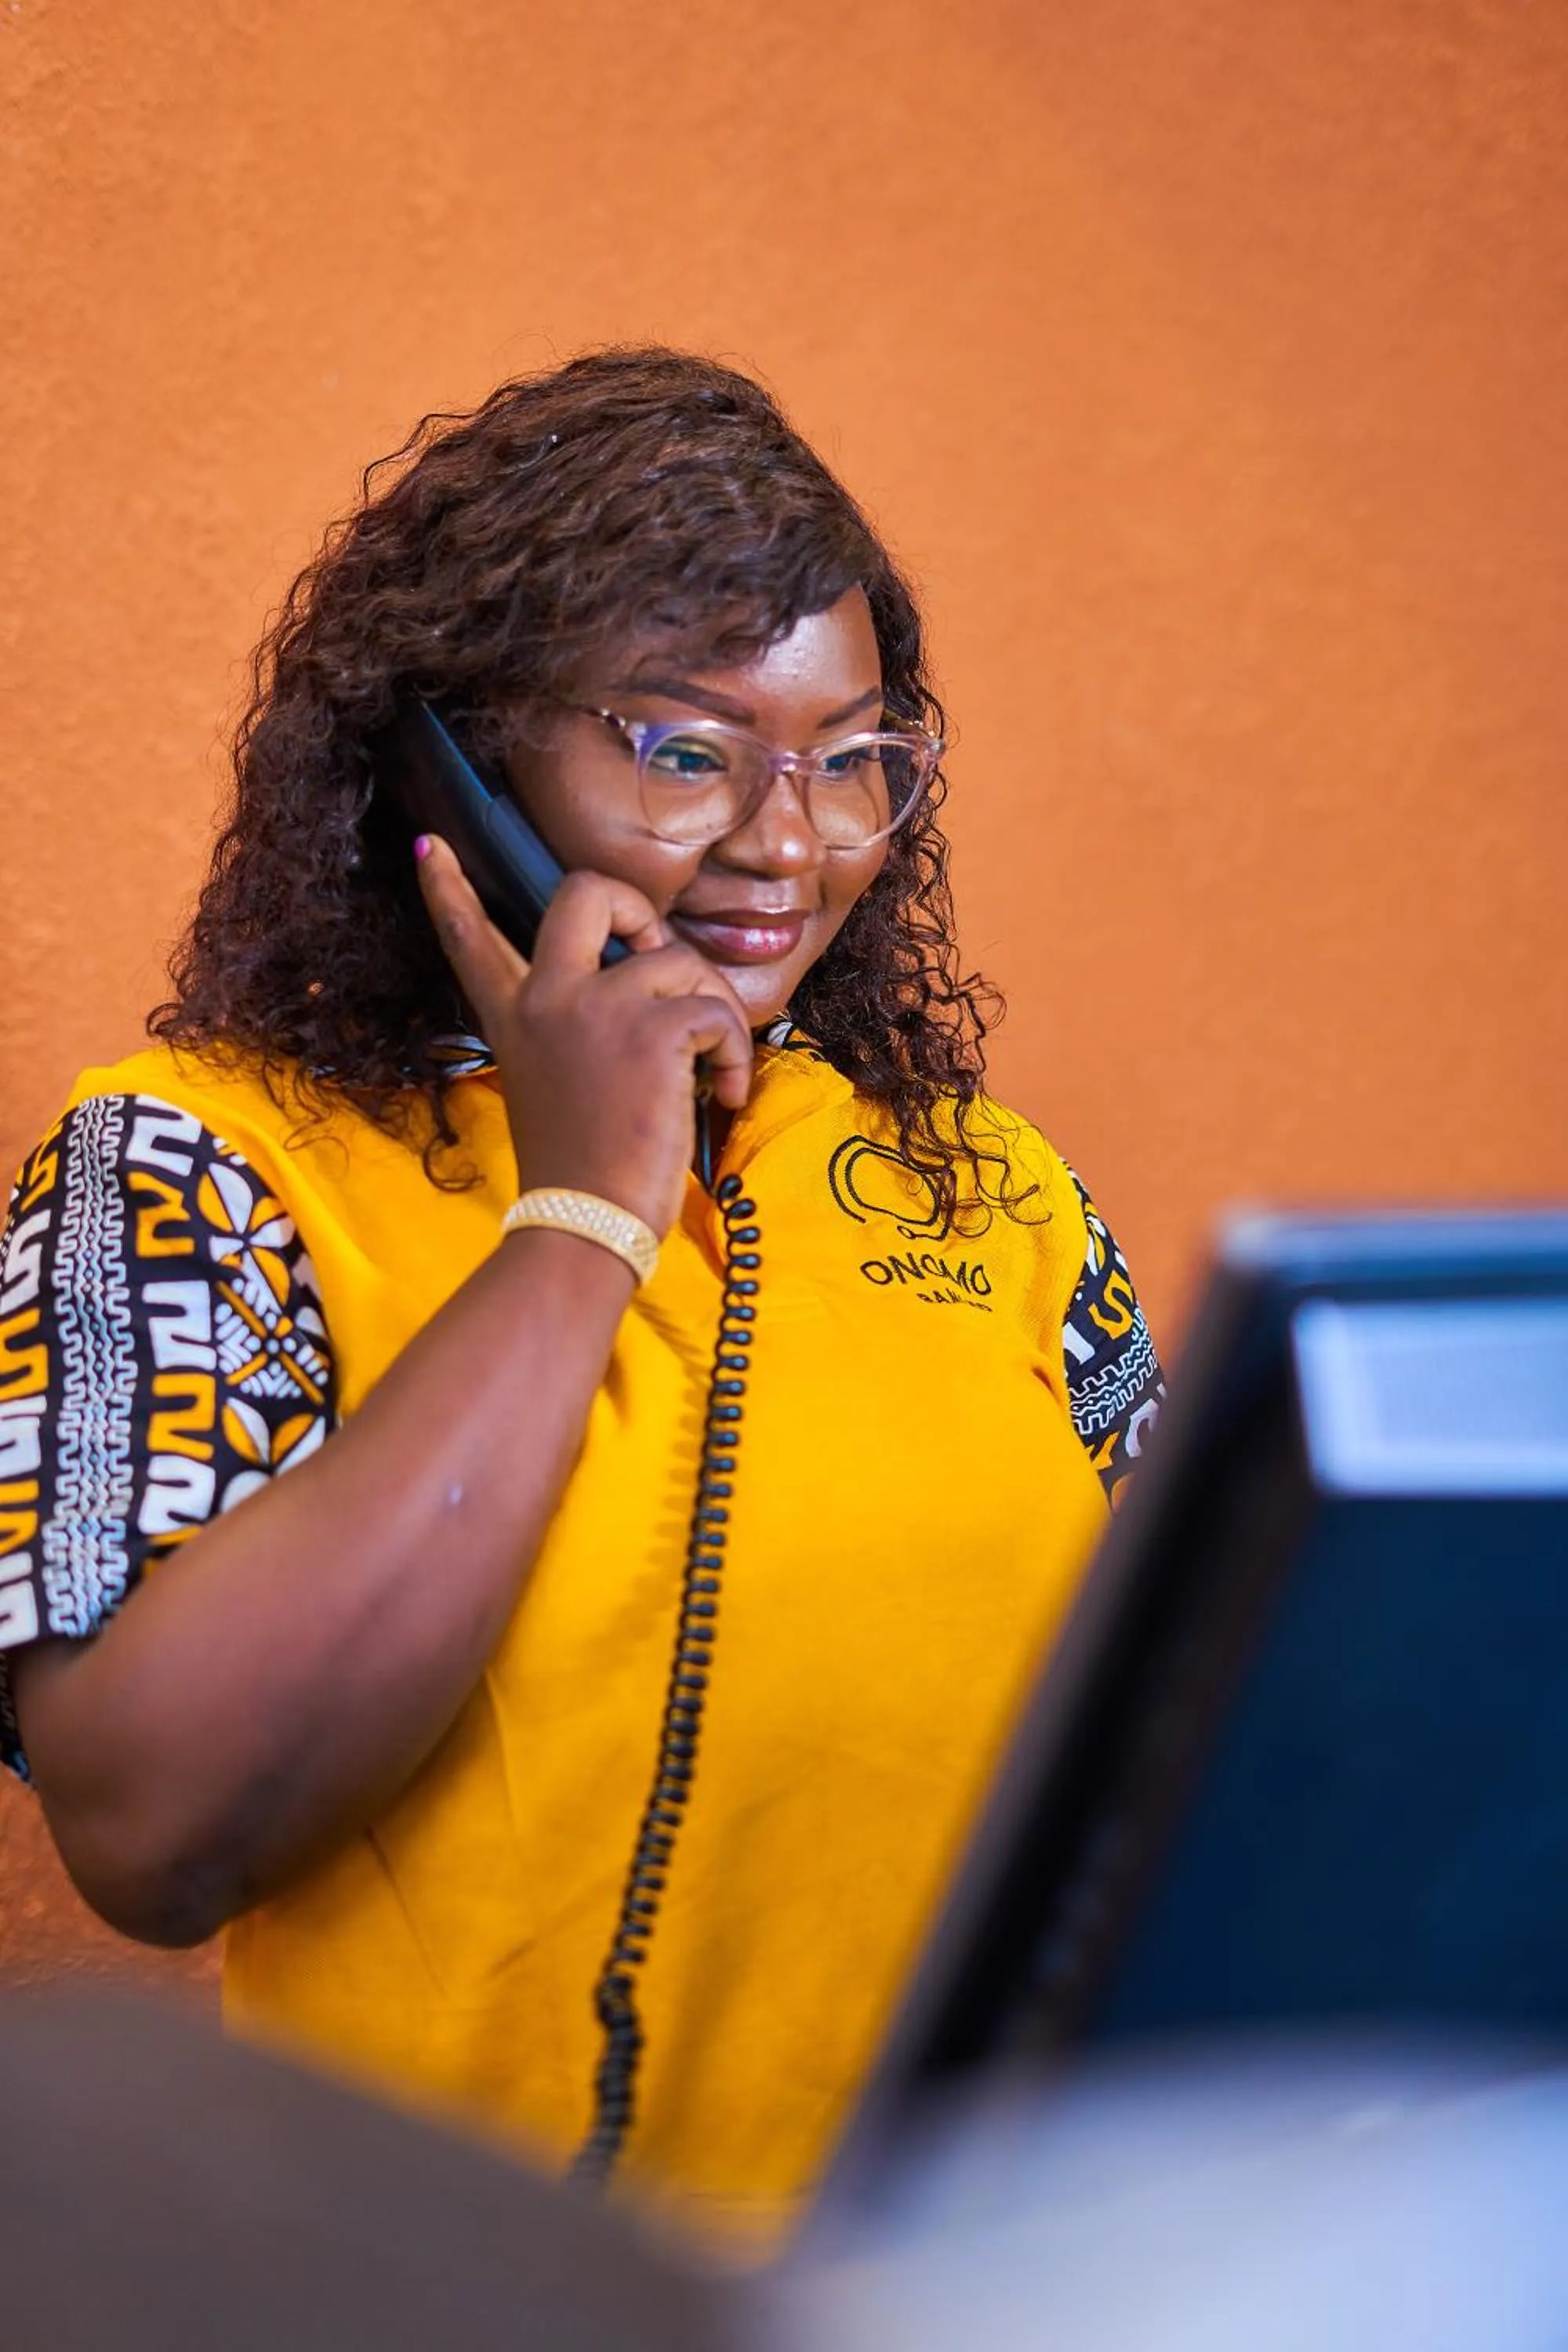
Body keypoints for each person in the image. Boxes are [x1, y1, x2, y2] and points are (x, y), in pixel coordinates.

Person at [0, 348, 1163, 2245]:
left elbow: (1205, 1732)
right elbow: (150, 1825)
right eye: (686, 749)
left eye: (855, 758)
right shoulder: (202, 1163)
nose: (791, 848)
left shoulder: (991, 1195)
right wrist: (580, 1211)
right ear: (451, 758)